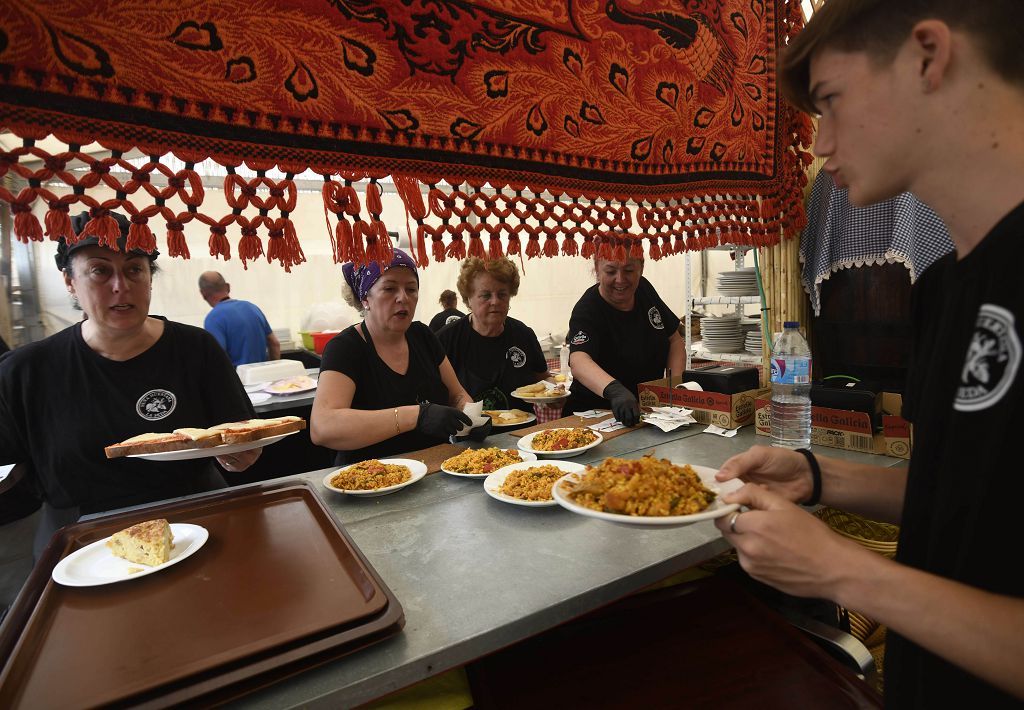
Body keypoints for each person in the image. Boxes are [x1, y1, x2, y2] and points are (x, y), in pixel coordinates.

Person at [712, 1, 1024, 705]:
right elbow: (968, 502)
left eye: (830, 101)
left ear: (928, 55)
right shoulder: (946, 286)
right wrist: (818, 478)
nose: (819, 145)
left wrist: (844, 572)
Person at [0, 212, 260, 555]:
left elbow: (240, 431)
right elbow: (9, 465)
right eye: (100, 270)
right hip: (83, 535)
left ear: (149, 278)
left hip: (196, 520)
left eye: (135, 269)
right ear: (69, 281)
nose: (120, 285)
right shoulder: (27, 370)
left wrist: (240, 453)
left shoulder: (196, 348)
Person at [311, 249, 488, 465]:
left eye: (411, 289)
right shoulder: (345, 348)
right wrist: (417, 416)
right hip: (370, 480)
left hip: (434, 468)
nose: (403, 297)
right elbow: (323, 427)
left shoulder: (423, 336)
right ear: (365, 297)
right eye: (389, 288)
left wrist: (470, 417)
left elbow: (457, 394)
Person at [565, 236, 685, 425]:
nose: (620, 280)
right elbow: (579, 360)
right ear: (597, 269)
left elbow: (675, 341)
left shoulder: (644, 289)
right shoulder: (587, 308)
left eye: (629, 270)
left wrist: (674, 387)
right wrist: (615, 390)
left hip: (646, 414)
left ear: (641, 268)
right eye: (611, 271)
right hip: (595, 417)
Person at [436, 258, 549, 411]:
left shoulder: (524, 334)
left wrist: (554, 393)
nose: (495, 301)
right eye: (486, 295)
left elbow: (544, 380)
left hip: (522, 433)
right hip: (468, 432)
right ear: (468, 299)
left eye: (502, 294)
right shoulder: (446, 339)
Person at [198, 271, 280, 366]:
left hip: (237, 379)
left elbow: (217, 357)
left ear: (203, 294)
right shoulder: (253, 308)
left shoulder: (213, 319)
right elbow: (274, 343)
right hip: (262, 377)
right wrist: (273, 369)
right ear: (228, 287)